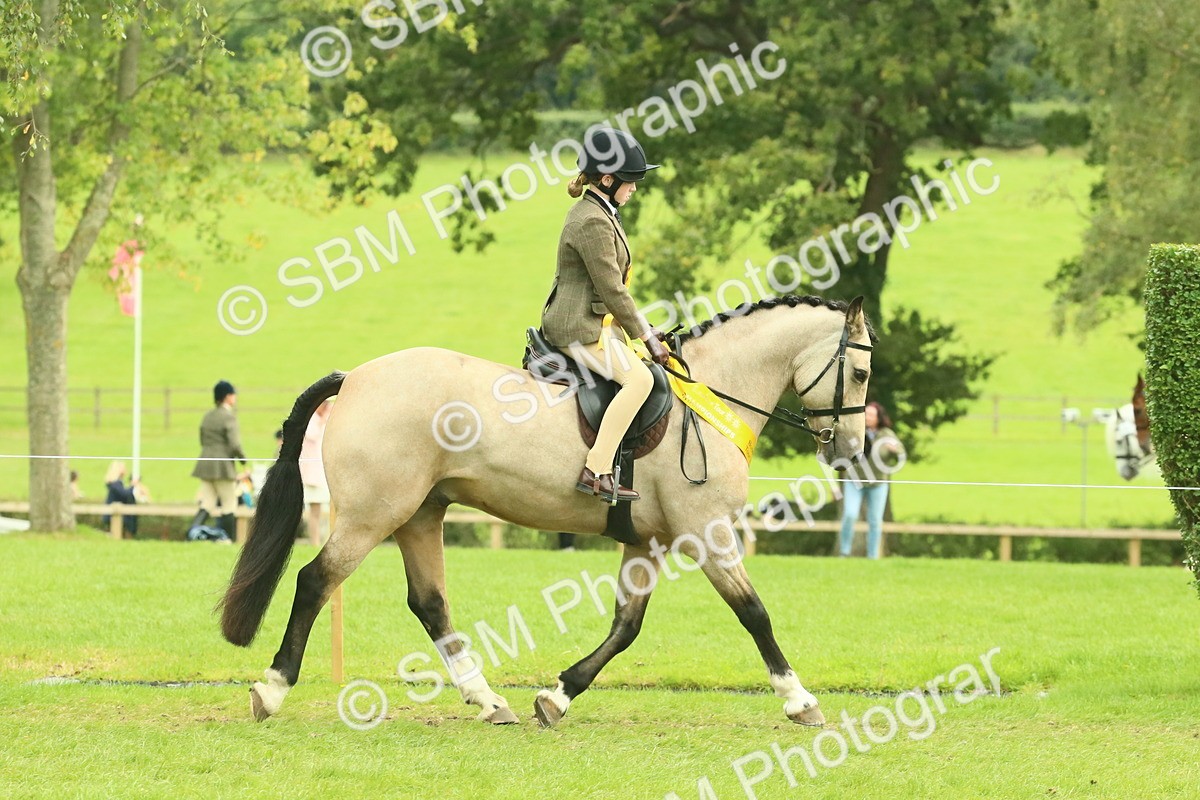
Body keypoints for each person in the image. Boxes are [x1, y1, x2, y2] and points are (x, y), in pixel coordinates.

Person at [540, 127, 670, 506]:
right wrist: (645, 337)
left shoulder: (599, 210)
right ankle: (595, 469)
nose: (634, 188)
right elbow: (613, 290)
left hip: (597, 322)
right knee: (640, 380)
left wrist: (644, 333)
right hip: (577, 327)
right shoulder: (593, 221)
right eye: (630, 181)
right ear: (608, 179)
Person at [838, 401, 906, 559]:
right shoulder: (856, 433)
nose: (867, 418)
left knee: (875, 520)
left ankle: (872, 556)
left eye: (871, 415)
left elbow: (901, 455)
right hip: (855, 482)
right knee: (850, 515)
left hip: (878, 484)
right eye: (865, 414)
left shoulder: (887, 434)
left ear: (878, 417)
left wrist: (894, 450)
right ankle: (844, 551)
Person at [190, 380, 248, 540]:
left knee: (207, 502)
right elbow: (234, 443)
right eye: (233, 394)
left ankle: (191, 534)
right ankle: (228, 537)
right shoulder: (229, 417)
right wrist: (243, 459)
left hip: (205, 464)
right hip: (222, 466)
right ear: (228, 397)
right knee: (229, 503)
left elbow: (202, 439)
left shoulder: (207, 416)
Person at [300, 399, 332, 546]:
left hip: (322, 473)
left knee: (322, 510)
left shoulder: (324, 420)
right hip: (312, 473)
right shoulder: (311, 419)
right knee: (314, 511)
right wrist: (322, 419)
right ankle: (315, 541)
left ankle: (323, 540)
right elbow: (312, 435)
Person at [102, 461, 140, 537]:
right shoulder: (115, 484)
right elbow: (124, 494)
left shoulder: (116, 484)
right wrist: (132, 486)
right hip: (114, 514)